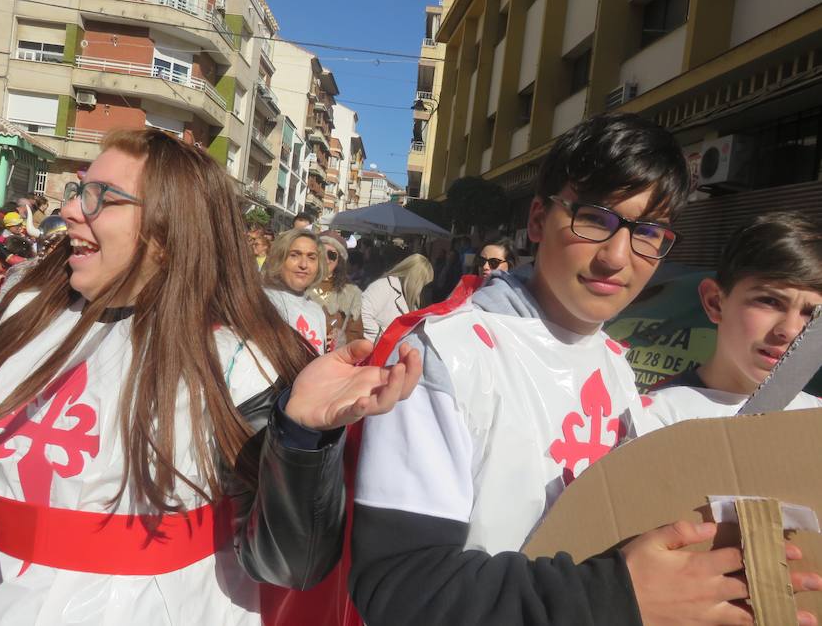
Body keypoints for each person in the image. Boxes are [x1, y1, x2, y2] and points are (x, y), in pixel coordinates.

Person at [0, 128, 422, 624]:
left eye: (101, 197)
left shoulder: (239, 356)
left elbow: (290, 565)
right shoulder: (25, 307)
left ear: (169, 231)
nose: (74, 209)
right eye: (80, 189)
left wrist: (302, 437)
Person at [349, 113, 822, 626]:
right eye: (596, 219)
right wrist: (617, 595)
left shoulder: (616, 364)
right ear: (536, 220)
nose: (617, 258)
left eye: (648, 232)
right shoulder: (444, 355)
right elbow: (400, 588)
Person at [639, 211, 822, 429]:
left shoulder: (814, 416)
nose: (790, 330)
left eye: (813, 313)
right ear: (715, 302)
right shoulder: (654, 420)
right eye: (769, 301)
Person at [261, 228, 329, 354]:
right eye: (294, 255)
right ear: (279, 259)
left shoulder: (317, 311)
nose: (304, 264)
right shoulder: (261, 301)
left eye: (311, 257)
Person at [361, 254, 433, 343]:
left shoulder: (412, 304)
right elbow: (362, 314)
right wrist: (383, 340)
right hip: (368, 350)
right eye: (423, 283)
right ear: (416, 280)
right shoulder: (383, 286)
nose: (422, 288)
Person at [313, 231, 363, 351]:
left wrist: (344, 338)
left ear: (339, 260)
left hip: (325, 360)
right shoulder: (300, 280)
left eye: (332, 255)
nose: (325, 258)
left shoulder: (348, 291)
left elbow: (356, 333)